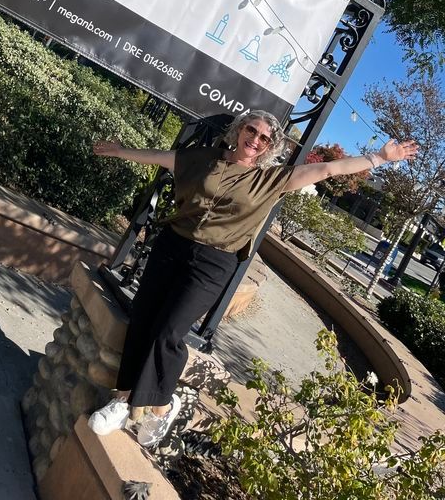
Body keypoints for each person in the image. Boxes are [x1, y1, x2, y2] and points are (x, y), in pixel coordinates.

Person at [88, 109, 418, 449]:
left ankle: (157, 406)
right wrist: (119, 150)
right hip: (172, 245)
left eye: (265, 138)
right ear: (239, 130)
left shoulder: (271, 180)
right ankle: (127, 398)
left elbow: (329, 168)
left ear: (268, 147)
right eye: (252, 130)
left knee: (169, 331)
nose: (256, 139)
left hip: (214, 263)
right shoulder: (203, 159)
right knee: (143, 317)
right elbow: (162, 157)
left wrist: (378, 158)